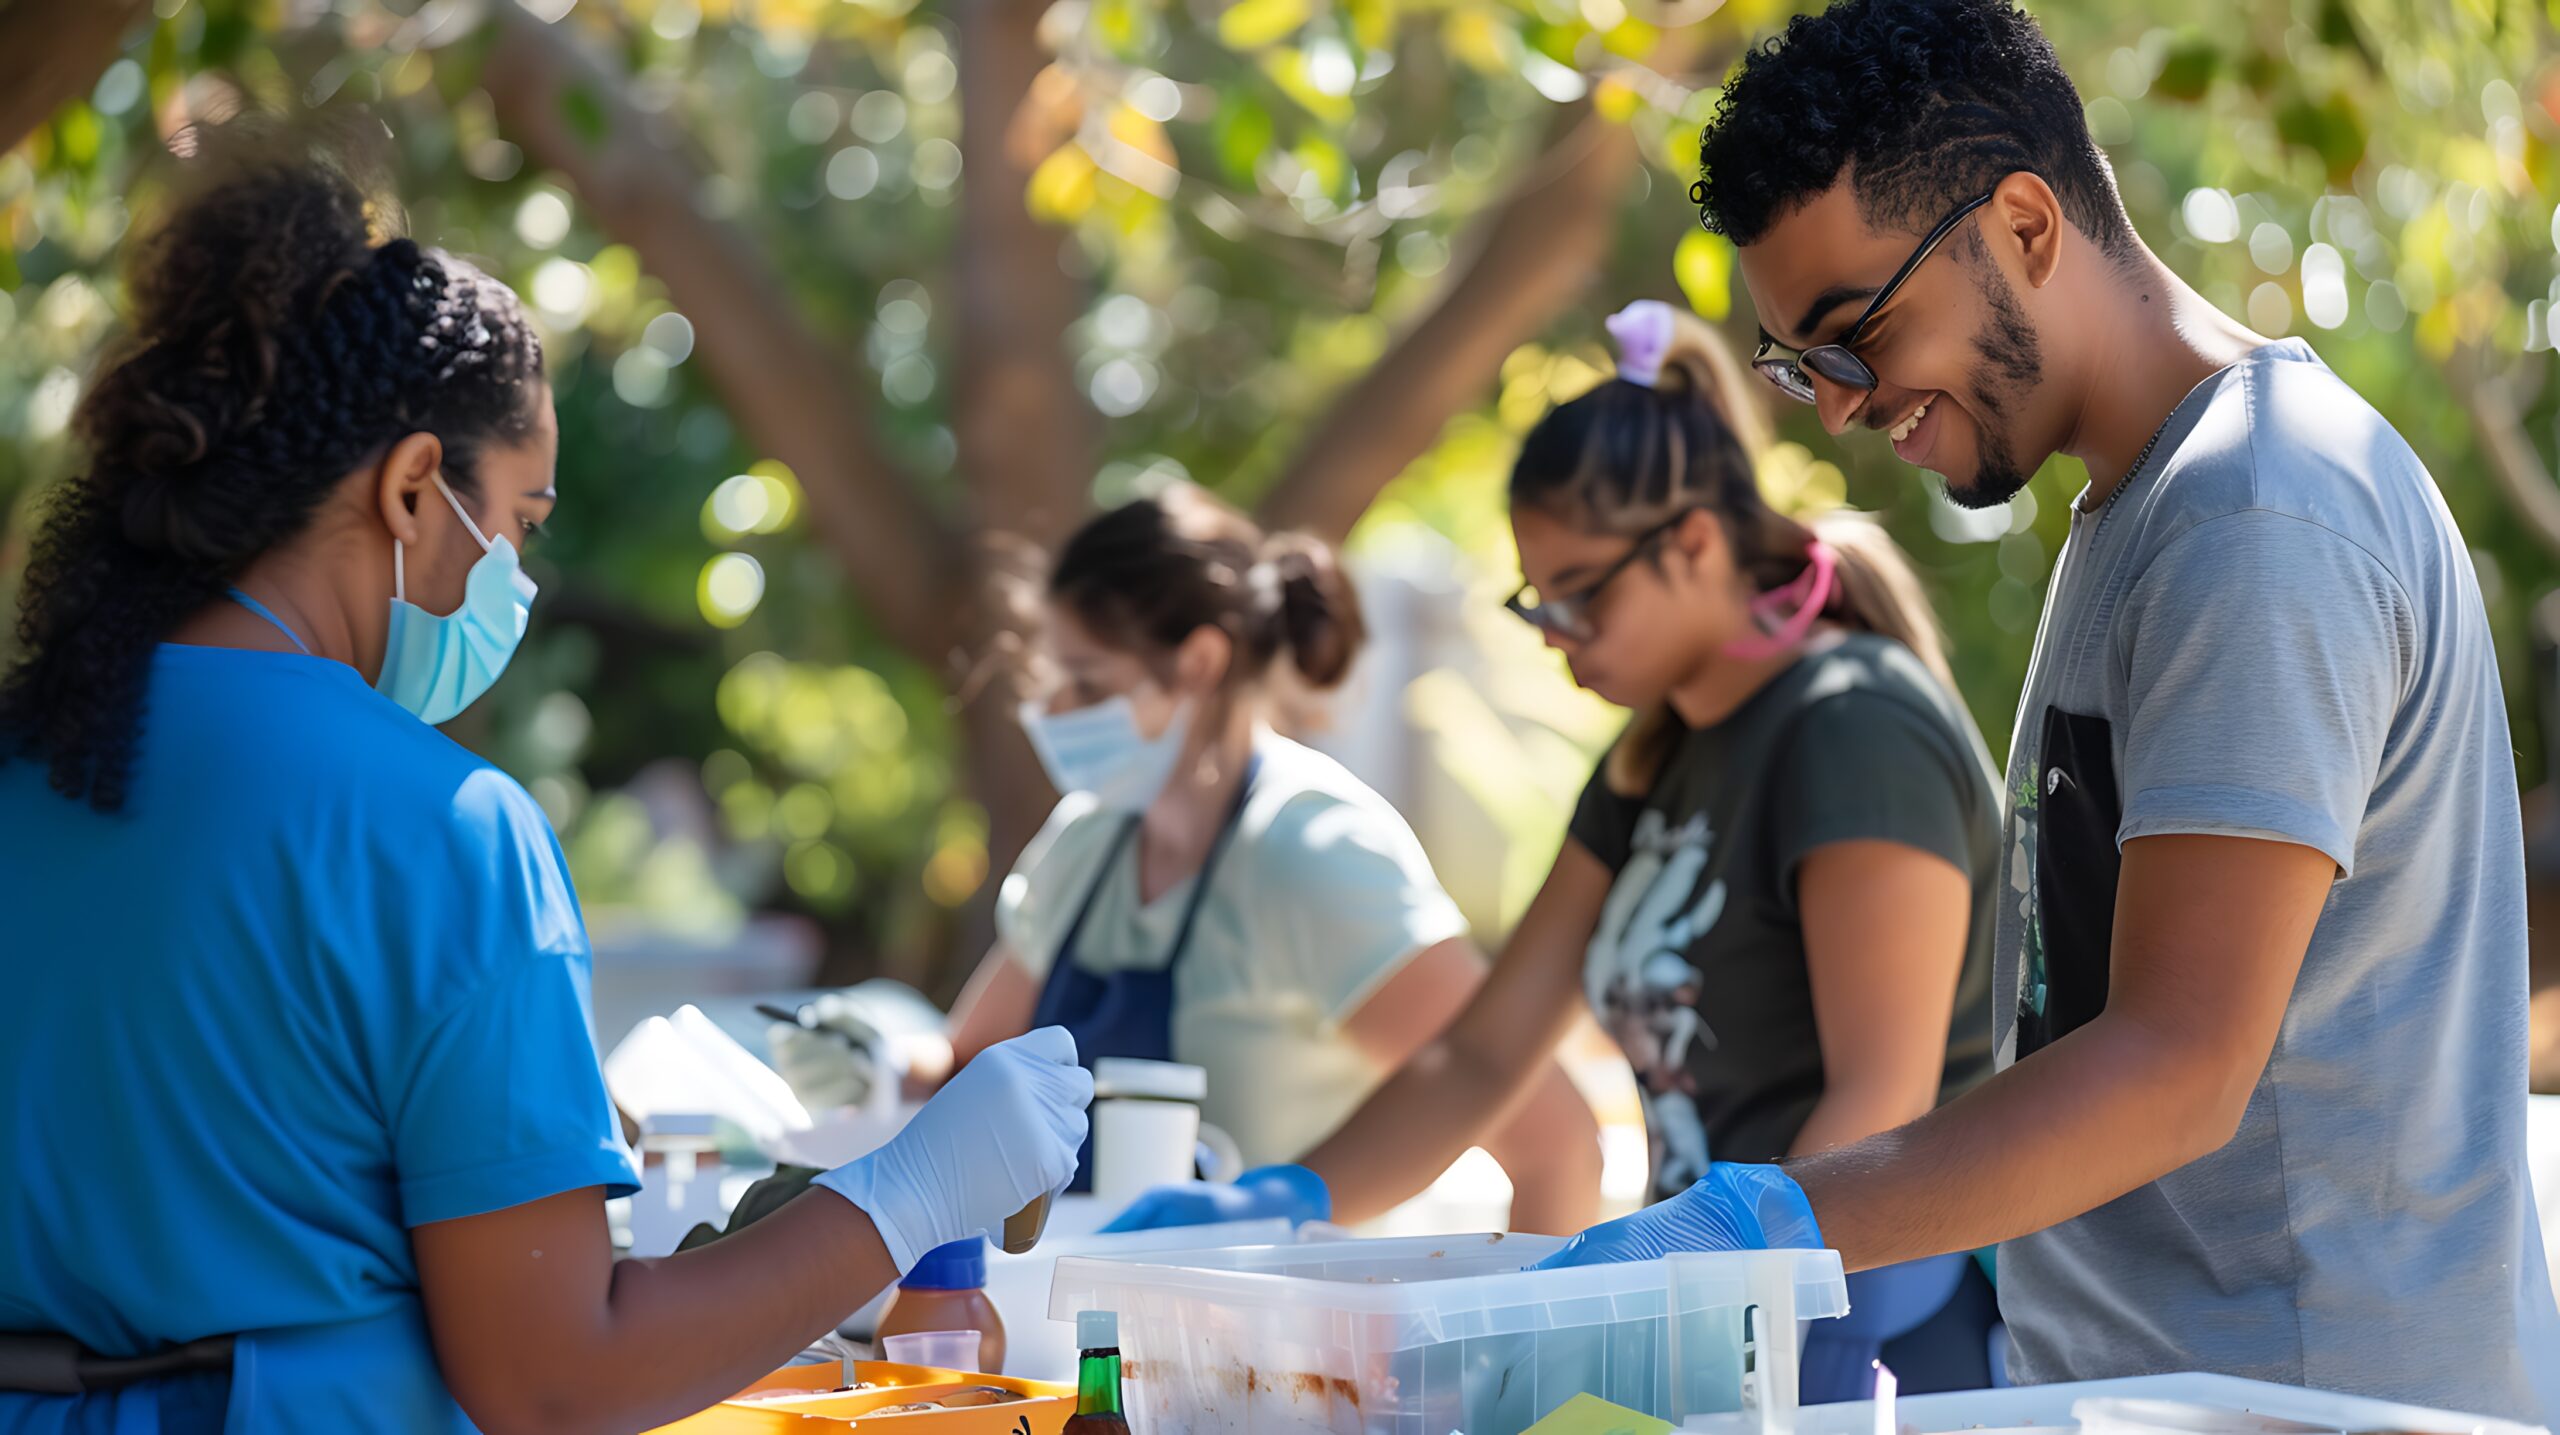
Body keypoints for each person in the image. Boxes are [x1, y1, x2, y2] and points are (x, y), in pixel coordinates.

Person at [1532, 0, 2560, 1421]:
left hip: (2312, 1396)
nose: (1836, 407)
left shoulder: (2258, 512)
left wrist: (1773, 1223)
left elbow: (2178, 1063)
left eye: (1854, 336)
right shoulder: (2146, 509)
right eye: (1795, 365)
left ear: (2023, 224)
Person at [0, 124, 1090, 1433]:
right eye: (517, 522)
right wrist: (915, 1186)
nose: (515, 578)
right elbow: (556, 1375)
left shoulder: (36, 757)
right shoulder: (440, 829)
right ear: (413, 488)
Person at [1110, 302, 2008, 1390]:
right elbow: (1480, 1054)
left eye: (1579, 597)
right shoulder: (1653, 757)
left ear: (1692, 543)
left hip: (1862, 1335)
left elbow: (1884, 1101)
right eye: (1540, 604)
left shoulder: (1854, 726)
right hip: (1710, 1313)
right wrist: (1290, 1200)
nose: (1559, 639)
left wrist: (1732, 1297)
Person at [939, 487, 1602, 1234]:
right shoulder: (1088, 844)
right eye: (1051, 679)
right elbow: (966, 1067)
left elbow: (1557, 1145)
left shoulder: (1313, 855)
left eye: (1088, 683)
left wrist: (1534, 1345)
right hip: (1077, 1335)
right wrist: (868, 1058)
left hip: (1285, 1346)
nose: (1053, 712)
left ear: (1199, 662)